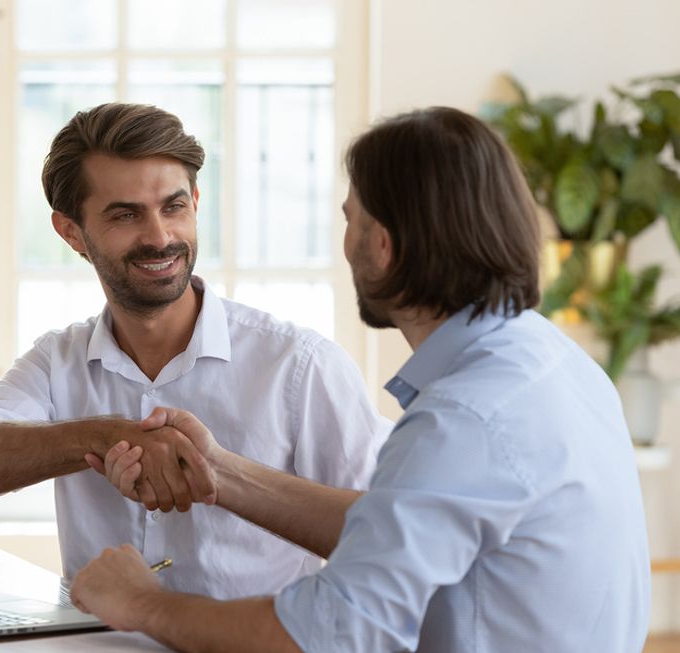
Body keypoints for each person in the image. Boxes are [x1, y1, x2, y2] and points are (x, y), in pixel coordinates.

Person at [70, 106, 652, 652]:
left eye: (351, 220)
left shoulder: (463, 418)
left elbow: (333, 635)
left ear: (382, 245)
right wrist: (221, 472)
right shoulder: (552, 360)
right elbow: (395, 527)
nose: (345, 243)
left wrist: (140, 602)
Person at [0, 102, 391, 600]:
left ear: (195, 200)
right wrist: (105, 437)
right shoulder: (57, 361)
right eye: (126, 215)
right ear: (71, 232)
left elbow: (387, 535)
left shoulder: (299, 365)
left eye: (173, 207)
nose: (160, 237)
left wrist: (222, 477)